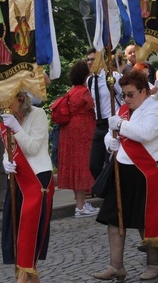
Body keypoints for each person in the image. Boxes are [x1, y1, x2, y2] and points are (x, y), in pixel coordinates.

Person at [93, 70, 158, 282]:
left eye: (130, 94)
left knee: (146, 220)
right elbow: (111, 132)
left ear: (144, 91)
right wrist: (110, 141)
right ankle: (116, 266)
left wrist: (120, 126)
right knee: (115, 219)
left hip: (145, 171)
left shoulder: (155, 108)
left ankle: (153, 263)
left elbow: (145, 133)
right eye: (124, 94)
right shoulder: (124, 110)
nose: (126, 99)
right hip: (122, 169)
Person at [1, 91, 54, 283]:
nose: (2, 105)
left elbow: (32, 148)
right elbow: (9, 151)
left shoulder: (37, 114)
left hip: (38, 178)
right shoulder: (7, 119)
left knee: (30, 231)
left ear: (20, 98)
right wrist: (5, 162)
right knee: (15, 231)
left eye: (6, 100)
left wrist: (16, 128)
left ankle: (23, 278)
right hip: (17, 180)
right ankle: (27, 276)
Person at [56, 60, 99, 218]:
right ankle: (81, 207)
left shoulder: (71, 90)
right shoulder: (84, 91)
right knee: (82, 165)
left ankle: (80, 203)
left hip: (69, 130)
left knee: (75, 166)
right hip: (82, 131)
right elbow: (94, 107)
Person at [87, 48, 123, 181]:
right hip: (99, 124)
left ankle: (112, 194)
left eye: (93, 59)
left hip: (112, 123)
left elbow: (124, 97)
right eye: (88, 60)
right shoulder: (90, 80)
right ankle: (105, 189)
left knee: (112, 162)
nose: (90, 62)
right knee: (94, 165)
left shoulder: (113, 78)